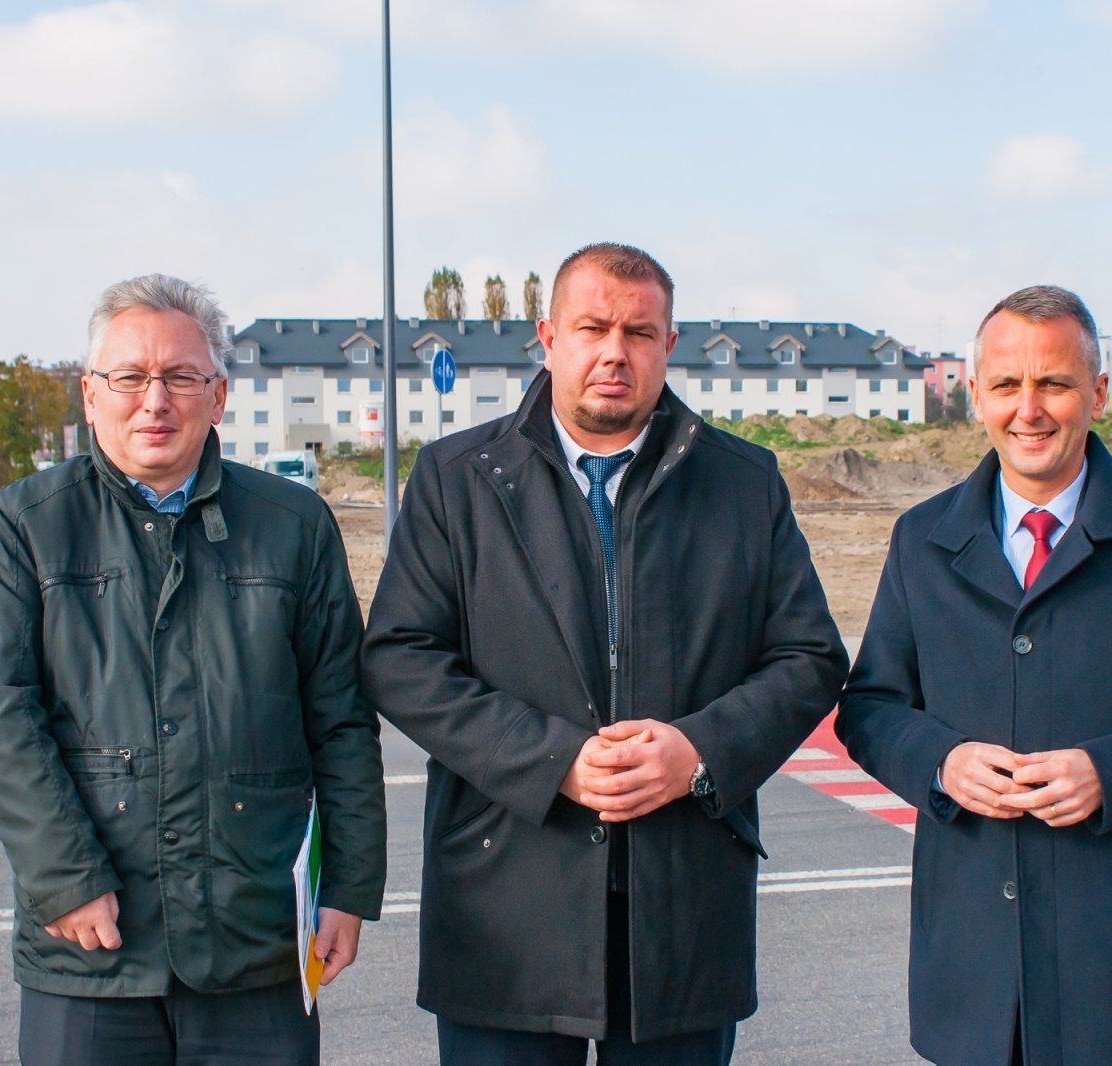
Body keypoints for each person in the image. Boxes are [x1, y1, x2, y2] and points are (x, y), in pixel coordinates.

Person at [360, 242, 847, 1065]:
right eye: (593, 327)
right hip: (506, 904)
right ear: (548, 338)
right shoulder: (456, 477)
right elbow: (401, 657)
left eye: (640, 331)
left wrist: (697, 750)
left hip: (681, 907)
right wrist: (555, 761)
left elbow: (808, 657)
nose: (615, 352)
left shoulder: (744, 481)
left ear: (669, 344)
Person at [838, 284, 1112, 1066]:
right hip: (971, 967)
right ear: (976, 395)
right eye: (1007, 385)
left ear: (1099, 393)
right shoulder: (920, 540)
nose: (1029, 409)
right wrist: (942, 762)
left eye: (1055, 383)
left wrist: (1111, 772)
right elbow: (870, 706)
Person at [0, 274, 386, 1066]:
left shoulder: (295, 527)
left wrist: (352, 888)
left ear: (217, 396)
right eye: (129, 377)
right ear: (91, 396)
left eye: (180, 377)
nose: (154, 400)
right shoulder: (23, 527)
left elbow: (343, 720)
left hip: (253, 946)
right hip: (91, 947)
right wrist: (65, 878)